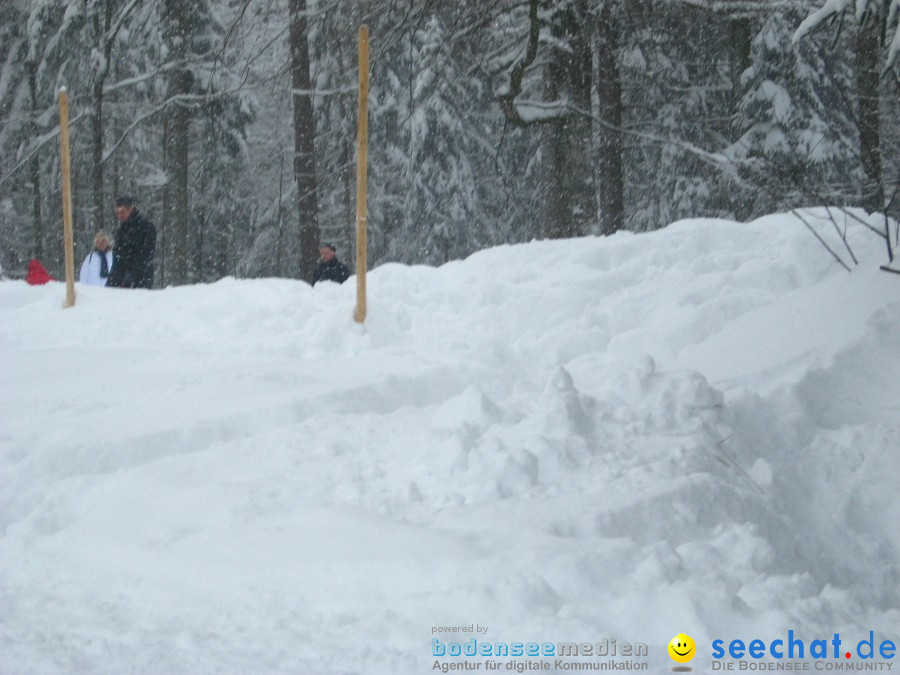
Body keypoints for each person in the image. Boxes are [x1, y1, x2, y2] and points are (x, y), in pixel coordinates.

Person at [106, 196, 156, 289]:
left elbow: (146, 254)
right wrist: (113, 279)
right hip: (121, 275)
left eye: (122, 212)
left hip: (140, 278)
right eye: (117, 213)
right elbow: (119, 256)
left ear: (130, 209)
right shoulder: (122, 229)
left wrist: (131, 275)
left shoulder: (146, 227)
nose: (119, 216)